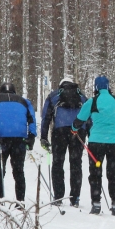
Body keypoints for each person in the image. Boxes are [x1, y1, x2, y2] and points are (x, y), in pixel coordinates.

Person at [72, 75, 115, 216]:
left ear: (96, 88)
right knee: (113, 174)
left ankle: (96, 204)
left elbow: (80, 119)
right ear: (108, 87)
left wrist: (74, 128)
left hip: (96, 143)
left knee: (96, 173)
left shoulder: (92, 101)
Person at [40, 75, 89, 207]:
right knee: (76, 163)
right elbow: (88, 115)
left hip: (59, 131)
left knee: (58, 163)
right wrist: (90, 135)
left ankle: (58, 196)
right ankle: (75, 197)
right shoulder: (82, 96)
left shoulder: (54, 96)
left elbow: (46, 117)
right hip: (78, 131)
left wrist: (43, 137)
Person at [0, 82, 37, 204]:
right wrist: (31, 136)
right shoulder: (24, 101)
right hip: (19, 139)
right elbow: (32, 119)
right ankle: (20, 201)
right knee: (18, 171)